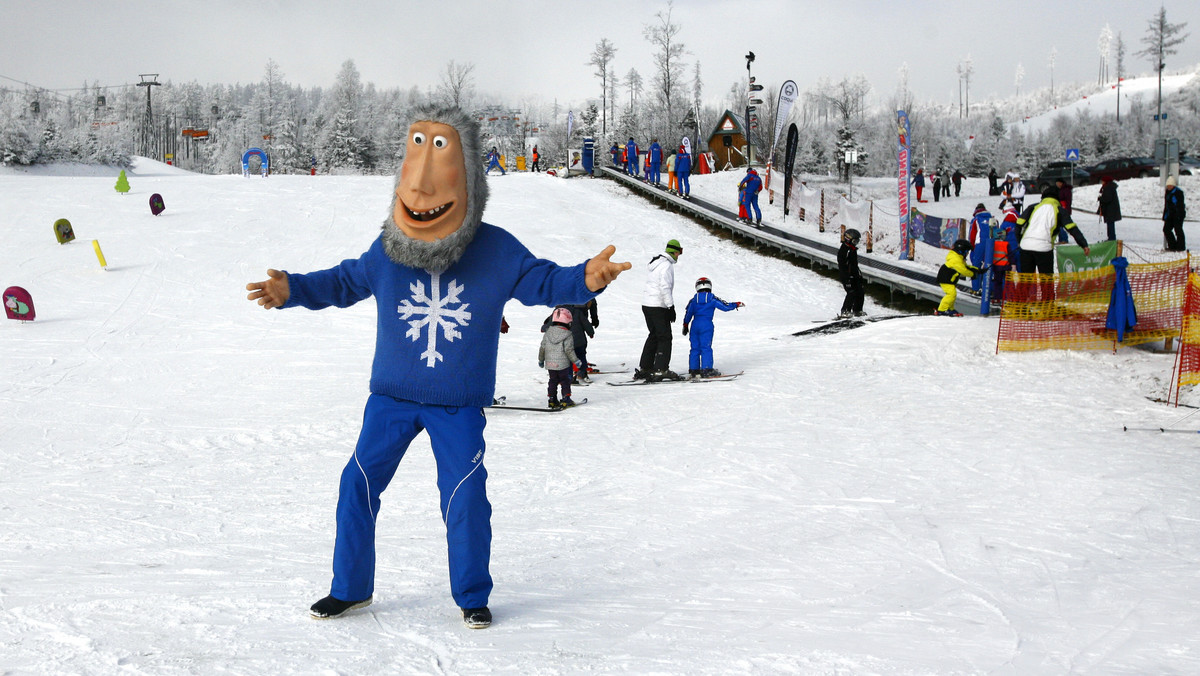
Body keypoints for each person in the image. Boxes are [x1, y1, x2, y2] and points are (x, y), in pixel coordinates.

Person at [245, 104, 631, 629]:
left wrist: (585, 278)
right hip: (391, 399)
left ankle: (472, 593)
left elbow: (543, 281)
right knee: (355, 485)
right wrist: (294, 289)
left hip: (457, 403)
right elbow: (345, 281)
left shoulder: (494, 249)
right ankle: (349, 588)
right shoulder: (388, 248)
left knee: (465, 495)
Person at [1016, 184, 1090, 277]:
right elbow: (1072, 228)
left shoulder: (1032, 207)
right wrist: (1083, 244)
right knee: (1046, 282)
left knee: (1025, 281)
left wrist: (1019, 241)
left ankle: (1023, 292)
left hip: (1025, 246)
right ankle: (1046, 291)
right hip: (1044, 248)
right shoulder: (1059, 210)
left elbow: (1018, 224)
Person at [636, 239, 682, 381]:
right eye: (679, 252)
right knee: (665, 337)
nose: (679, 255)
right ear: (673, 251)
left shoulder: (656, 264)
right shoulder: (666, 266)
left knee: (654, 335)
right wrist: (670, 307)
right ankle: (661, 369)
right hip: (658, 305)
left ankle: (646, 367)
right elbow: (665, 287)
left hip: (647, 304)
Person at [682, 277, 744, 377]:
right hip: (706, 325)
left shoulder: (693, 300)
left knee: (694, 348)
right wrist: (736, 304)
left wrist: (685, 324)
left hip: (695, 325)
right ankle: (706, 369)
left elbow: (688, 313)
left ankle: (694, 369)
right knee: (706, 347)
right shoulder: (712, 299)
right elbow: (725, 306)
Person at [541, 300, 596, 384]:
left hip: (566, 342)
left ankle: (569, 377)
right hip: (580, 341)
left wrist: (544, 328)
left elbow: (549, 323)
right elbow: (586, 324)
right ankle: (582, 373)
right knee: (581, 356)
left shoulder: (558, 313)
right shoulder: (578, 312)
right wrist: (591, 333)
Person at [539, 307, 582, 409]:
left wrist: (541, 360)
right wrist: (576, 361)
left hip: (550, 364)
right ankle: (566, 399)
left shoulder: (547, 333)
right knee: (564, 380)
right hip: (563, 364)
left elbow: (542, 347)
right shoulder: (567, 335)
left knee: (552, 380)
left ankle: (552, 399)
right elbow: (569, 350)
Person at [936, 239, 987, 316]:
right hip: (945, 279)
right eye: (967, 252)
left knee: (953, 294)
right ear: (962, 251)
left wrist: (978, 270)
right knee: (951, 294)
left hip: (949, 279)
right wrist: (973, 275)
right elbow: (963, 270)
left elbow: (966, 267)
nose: (967, 254)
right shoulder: (955, 259)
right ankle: (942, 309)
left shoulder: (958, 257)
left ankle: (950, 308)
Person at [837, 228, 865, 318]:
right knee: (851, 292)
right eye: (855, 241)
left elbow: (854, 265)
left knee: (860, 291)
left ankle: (857, 310)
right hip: (847, 277)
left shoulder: (852, 250)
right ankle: (845, 310)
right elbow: (843, 266)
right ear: (849, 239)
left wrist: (858, 275)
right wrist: (847, 279)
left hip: (854, 276)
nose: (856, 243)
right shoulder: (844, 251)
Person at [967, 203, 992, 294]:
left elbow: (972, 235)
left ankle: (976, 288)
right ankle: (989, 289)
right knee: (989, 265)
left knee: (976, 266)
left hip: (979, 245)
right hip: (991, 244)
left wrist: (971, 247)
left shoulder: (976, 220)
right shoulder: (993, 219)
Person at [1164, 176, 1187, 252]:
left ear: (1173, 185)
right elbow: (1166, 205)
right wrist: (1165, 215)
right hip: (1170, 214)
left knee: (1178, 230)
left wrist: (1179, 215)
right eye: (1168, 185)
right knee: (1166, 229)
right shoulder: (1167, 192)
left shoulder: (1178, 193)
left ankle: (1181, 247)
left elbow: (1180, 205)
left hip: (1178, 214)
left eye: (1170, 185)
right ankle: (1172, 246)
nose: (1169, 187)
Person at [1098, 177, 1122, 242]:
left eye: (1102, 181)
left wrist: (1101, 199)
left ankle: (1111, 238)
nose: (1102, 182)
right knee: (1110, 223)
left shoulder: (1108, 188)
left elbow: (1107, 199)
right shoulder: (1109, 187)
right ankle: (1111, 237)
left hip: (1110, 209)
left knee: (1110, 224)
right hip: (1111, 209)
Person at [1054, 177, 1073, 243]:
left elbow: (1068, 201)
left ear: (1061, 183)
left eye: (1058, 183)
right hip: (1060, 208)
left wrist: (1067, 210)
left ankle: (1064, 239)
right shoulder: (1059, 189)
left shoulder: (1066, 190)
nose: (1057, 184)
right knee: (1060, 225)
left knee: (1062, 225)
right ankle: (1062, 239)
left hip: (1064, 209)